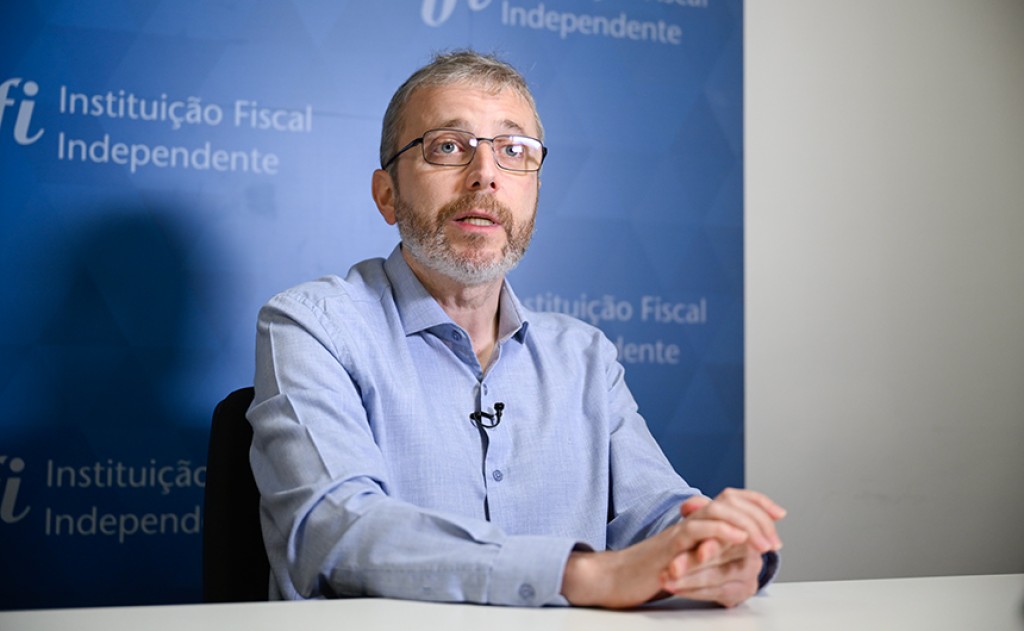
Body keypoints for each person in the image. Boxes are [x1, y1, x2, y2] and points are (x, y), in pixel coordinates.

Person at [249, 49, 785, 608]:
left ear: (534, 193)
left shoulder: (584, 356)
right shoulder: (314, 326)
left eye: (513, 151)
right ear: (388, 194)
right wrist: (584, 576)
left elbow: (656, 514)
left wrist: (720, 549)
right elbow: (336, 531)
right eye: (448, 146)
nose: (485, 175)